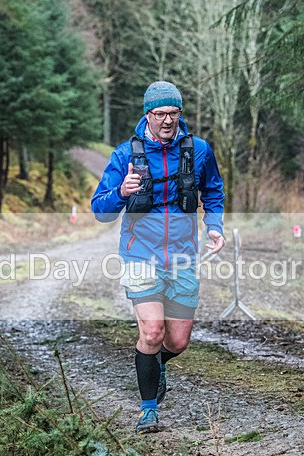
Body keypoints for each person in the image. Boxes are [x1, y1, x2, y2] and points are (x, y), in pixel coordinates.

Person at [91, 81, 225, 433]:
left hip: (183, 256)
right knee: (152, 331)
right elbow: (100, 211)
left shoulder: (198, 150)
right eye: (160, 114)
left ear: (181, 113)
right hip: (140, 255)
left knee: (177, 341)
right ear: (147, 114)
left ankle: (155, 363)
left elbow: (213, 191)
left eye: (173, 113)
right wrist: (120, 192)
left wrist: (214, 226)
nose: (167, 120)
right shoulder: (125, 155)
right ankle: (148, 410)